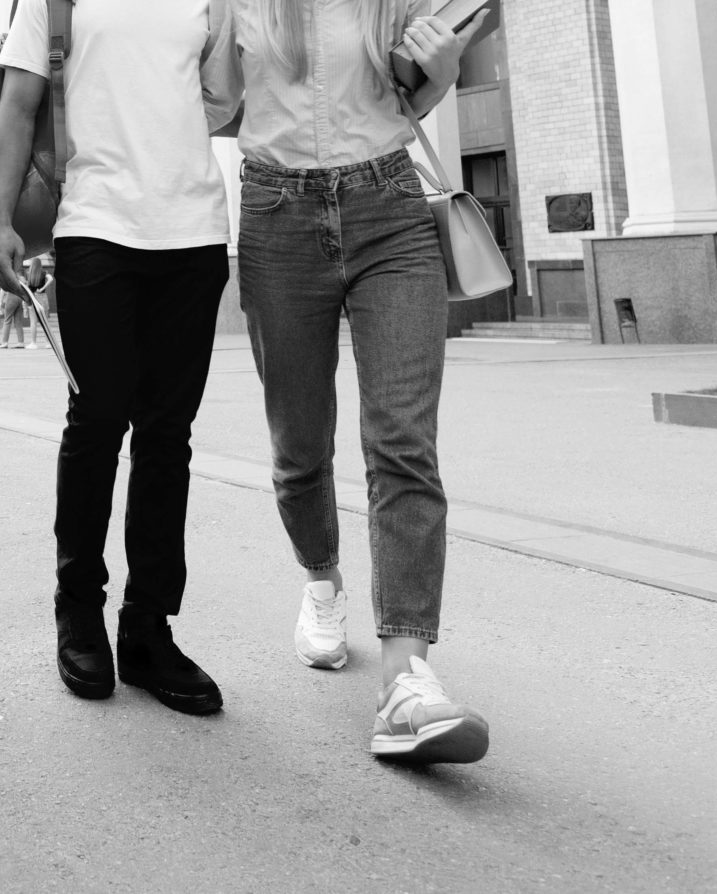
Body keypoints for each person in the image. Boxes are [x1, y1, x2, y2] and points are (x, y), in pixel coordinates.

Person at [210, 0, 491, 763]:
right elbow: (209, 102)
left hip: (390, 208)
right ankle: (322, 581)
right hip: (275, 211)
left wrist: (442, 69)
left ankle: (406, 676)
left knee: (402, 438)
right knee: (299, 444)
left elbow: (414, 92)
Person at [0, 0, 236, 716]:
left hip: (194, 235)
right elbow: (17, 103)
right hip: (96, 226)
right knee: (96, 424)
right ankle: (79, 611)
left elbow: (222, 100)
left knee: (167, 437)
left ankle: (149, 627)